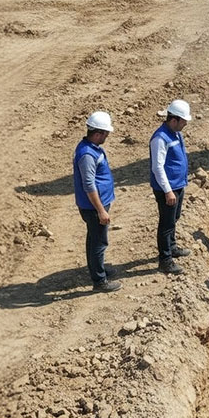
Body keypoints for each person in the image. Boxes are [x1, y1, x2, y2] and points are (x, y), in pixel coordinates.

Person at [74, 111, 122, 292]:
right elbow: (88, 185)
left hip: (96, 205)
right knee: (99, 243)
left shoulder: (91, 148)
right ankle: (99, 281)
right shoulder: (87, 154)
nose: (107, 137)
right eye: (105, 134)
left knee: (94, 239)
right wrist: (101, 210)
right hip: (93, 208)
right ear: (97, 133)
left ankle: (97, 269)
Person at [151, 99, 193, 275]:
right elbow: (157, 167)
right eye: (183, 121)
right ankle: (165, 260)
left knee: (174, 218)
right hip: (167, 188)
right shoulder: (160, 138)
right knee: (166, 224)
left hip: (178, 185)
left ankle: (172, 246)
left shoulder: (176, 133)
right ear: (174, 120)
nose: (185, 124)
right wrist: (168, 191)